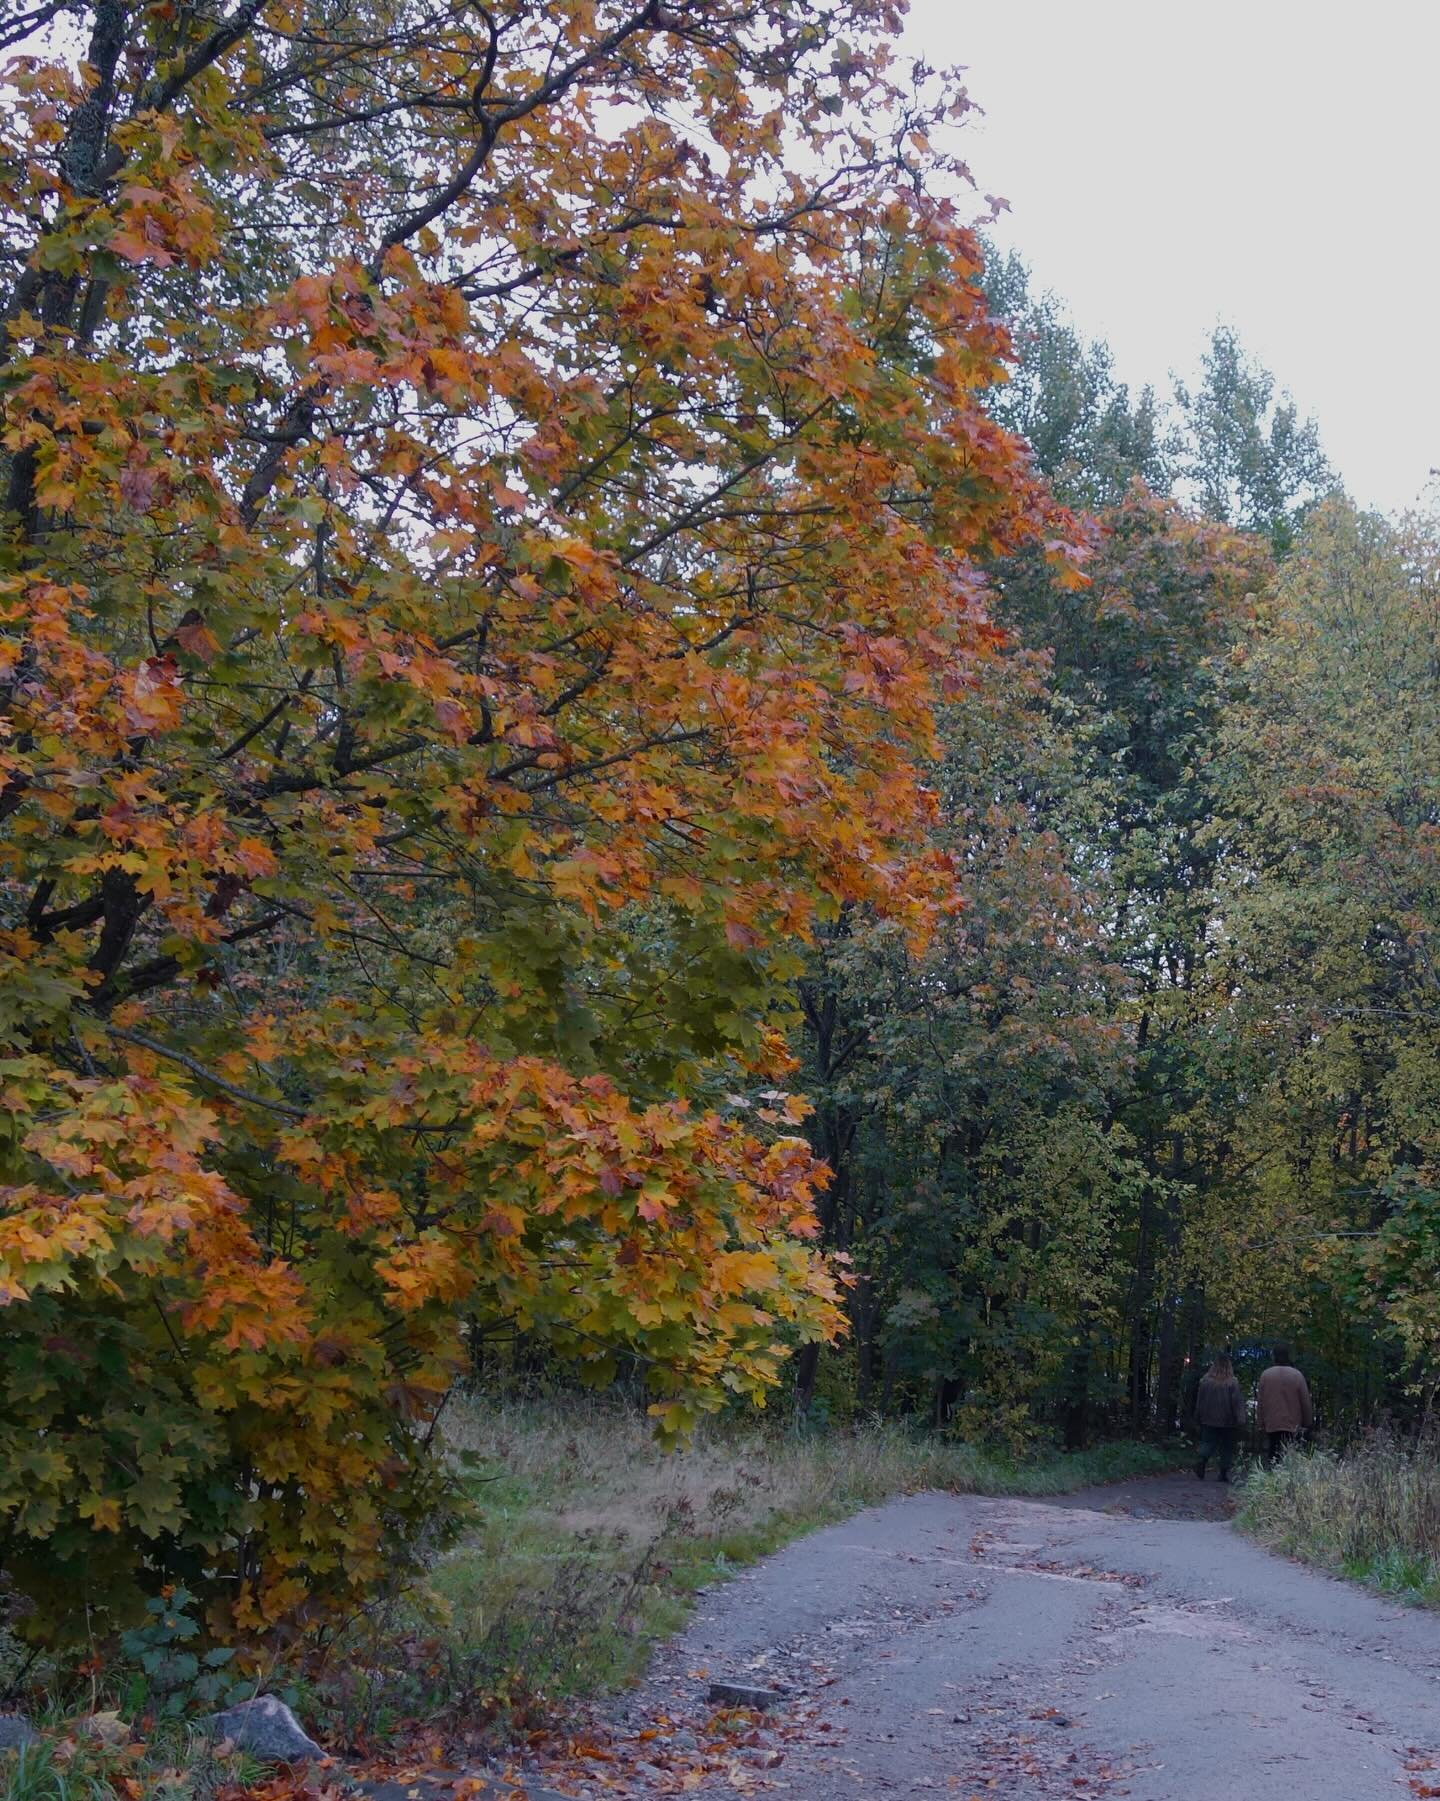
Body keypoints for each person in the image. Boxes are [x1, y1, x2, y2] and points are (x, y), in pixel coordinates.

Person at [1257, 1343, 1313, 1466]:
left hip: (1272, 1422)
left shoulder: (1266, 1375)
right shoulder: (1297, 1375)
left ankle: (1272, 1478)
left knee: (1273, 1451)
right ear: (1288, 1356)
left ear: (1274, 1356)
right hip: (1292, 1422)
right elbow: (1305, 1401)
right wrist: (1308, 1422)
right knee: (1290, 1452)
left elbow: (1260, 1401)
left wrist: (1260, 1422)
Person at [1193, 1352, 1245, 1482]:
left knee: (1207, 1442)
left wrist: (1198, 1415)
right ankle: (1223, 1473)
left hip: (1208, 1418)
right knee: (1226, 1447)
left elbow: (1200, 1400)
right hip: (1228, 1421)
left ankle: (1202, 1461)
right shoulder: (1232, 1382)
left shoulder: (1206, 1381)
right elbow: (1237, 1402)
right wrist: (1240, 1419)